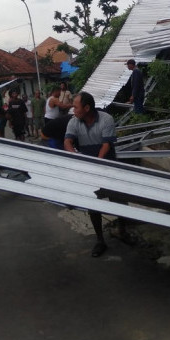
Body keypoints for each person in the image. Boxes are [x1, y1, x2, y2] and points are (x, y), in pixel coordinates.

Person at [64, 92, 133, 257]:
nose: (73, 109)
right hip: (90, 169)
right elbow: (67, 142)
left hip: (109, 167)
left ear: (87, 108)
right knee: (93, 205)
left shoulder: (106, 119)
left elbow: (106, 145)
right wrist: (75, 155)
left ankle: (122, 231)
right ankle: (100, 240)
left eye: (76, 106)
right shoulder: (74, 122)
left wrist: (98, 163)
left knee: (119, 200)